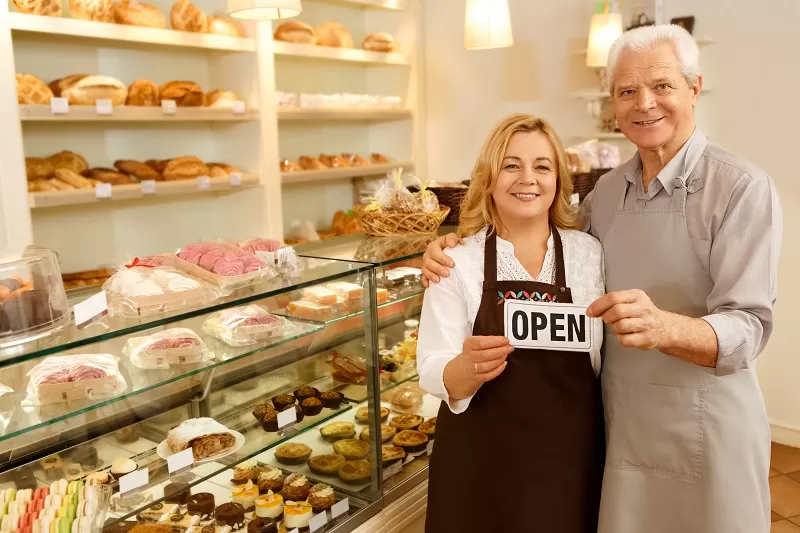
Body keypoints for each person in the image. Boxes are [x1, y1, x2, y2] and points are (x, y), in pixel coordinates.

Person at [422, 24, 783, 533]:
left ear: (694, 87)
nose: (645, 103)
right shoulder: (606, 196)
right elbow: (541, 242)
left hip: (705, 424)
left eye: (662, 86)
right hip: (616, 429)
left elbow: (750, 328)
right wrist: (446, 246)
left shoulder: (742, 189)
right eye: (627, 91)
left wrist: (666, 328)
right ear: (613, 102)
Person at [416, 114, 606, 532]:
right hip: (481, 467)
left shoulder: (588, 254)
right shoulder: (457, 261)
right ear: (488, 179)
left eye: (542, 166)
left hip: (569, 461)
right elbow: (431, 365)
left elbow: (598, 358)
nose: (528, 178)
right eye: (511, 165)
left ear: (558, 179)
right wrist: (462, 371)